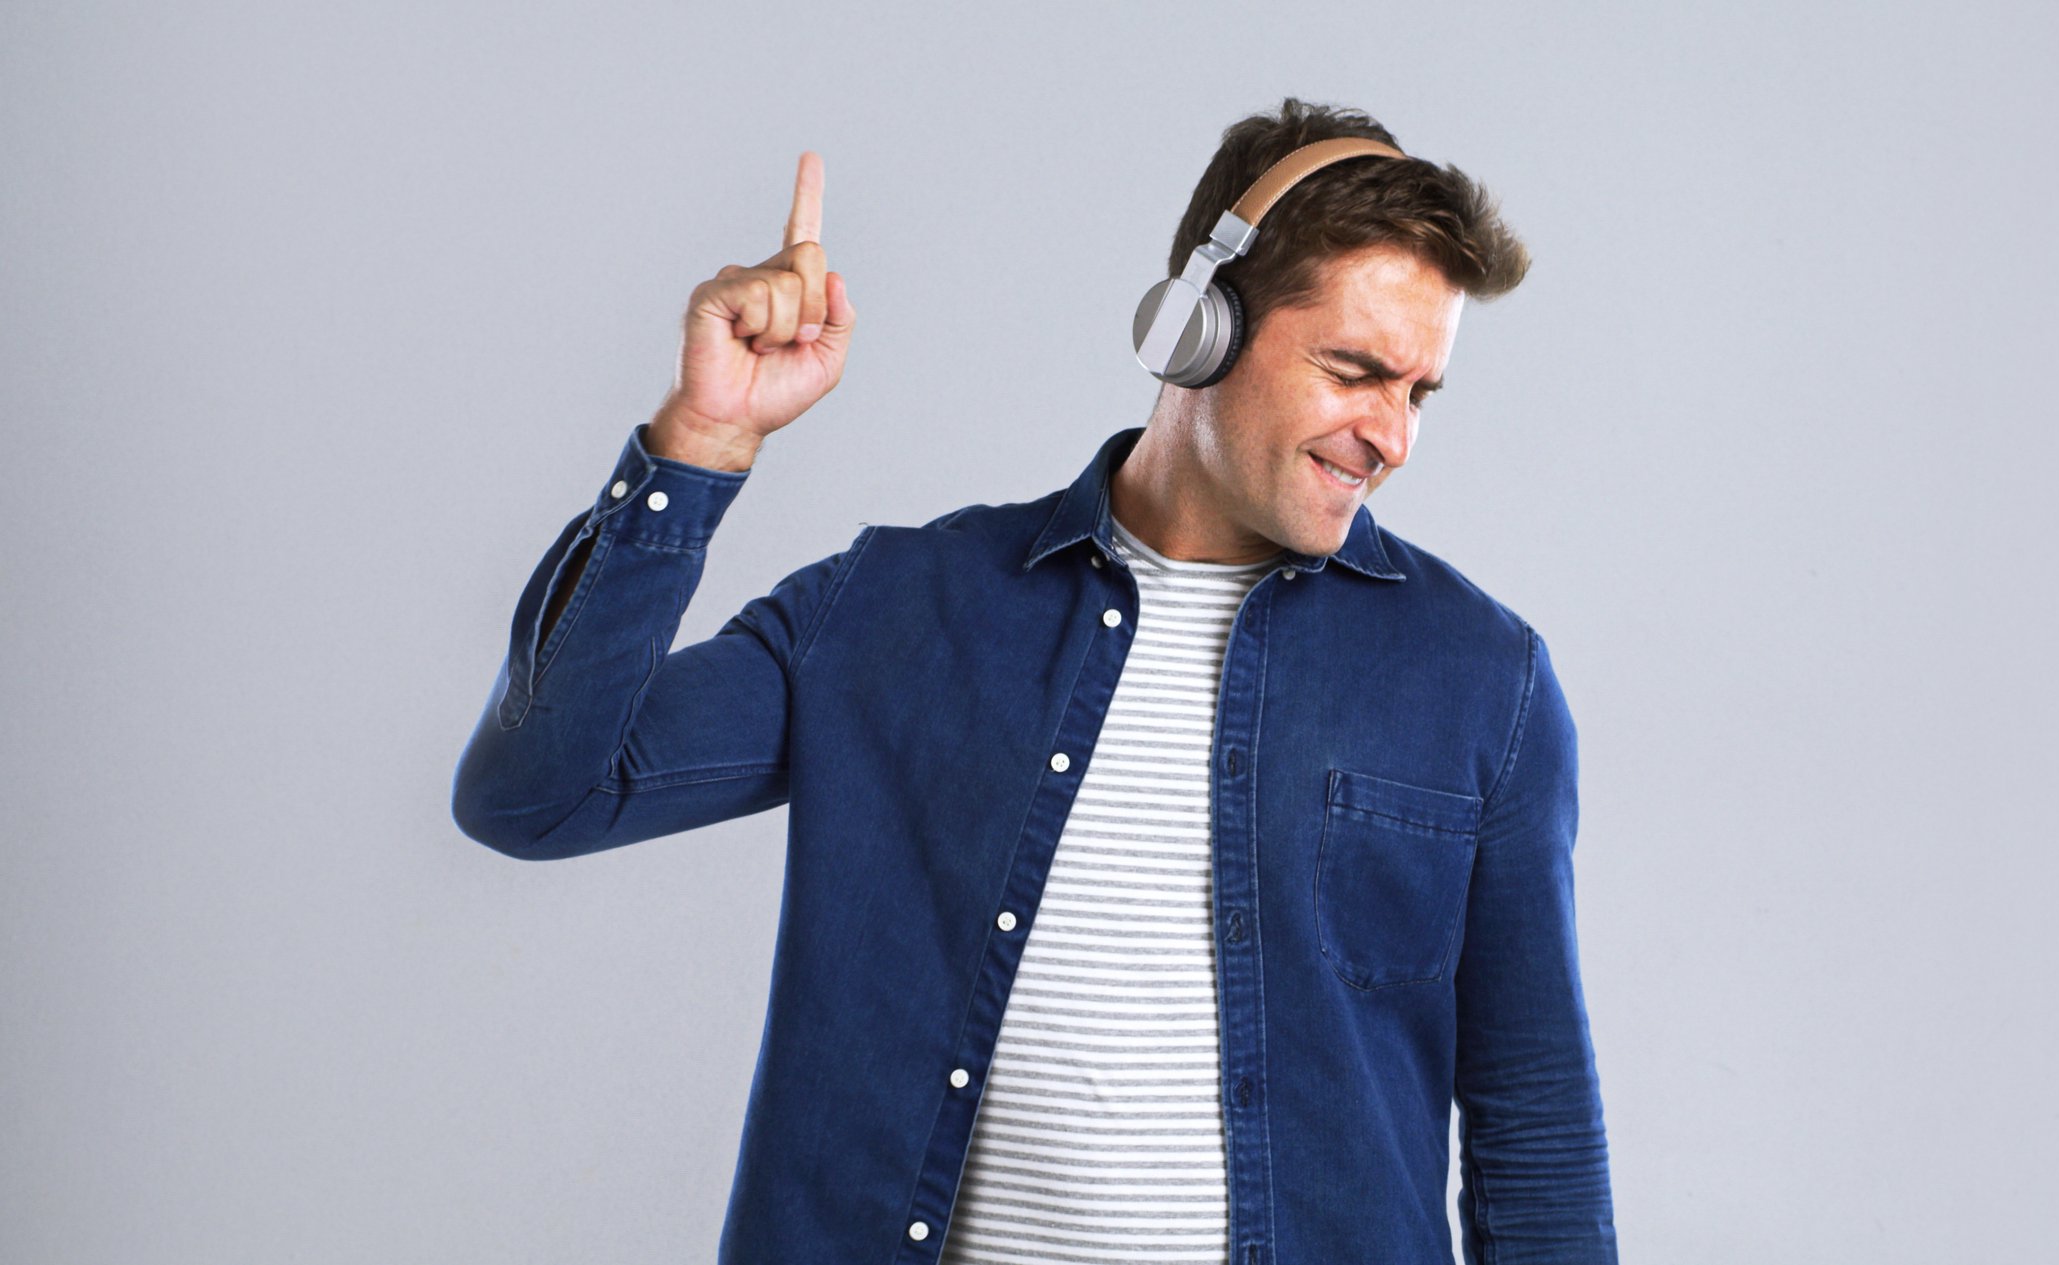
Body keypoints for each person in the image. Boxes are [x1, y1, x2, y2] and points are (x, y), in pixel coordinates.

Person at [452, 97, 1617, 1265]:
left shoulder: (1481, 679)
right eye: (1357, 371)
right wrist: (702, 439)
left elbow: (1536, 1128)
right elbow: (539, 793)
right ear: (1197, 328)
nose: (1393, 436)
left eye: (1418, 393)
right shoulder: (897, 609)